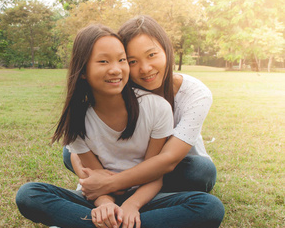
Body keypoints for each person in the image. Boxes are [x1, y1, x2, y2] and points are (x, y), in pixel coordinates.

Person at [15, 24, 224, 228]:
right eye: (104, 62)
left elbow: (157, 169)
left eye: (121, 60)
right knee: (29, 194)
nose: (116, 69)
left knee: (210, 208)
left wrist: (132, 204)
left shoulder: (156, 107)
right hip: (106, 194)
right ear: (82, 70)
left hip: (147, 190)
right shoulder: (78, 118)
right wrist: (105, 204)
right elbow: (94, 177)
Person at [65, 15, 218, 200]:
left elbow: (168, 159)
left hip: (176, 166)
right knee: (69, 153)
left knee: (202, 171)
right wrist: (85, 169)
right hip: (125, 165)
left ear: (167, 50)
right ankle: (125, 195)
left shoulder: (196, 93)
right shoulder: (121, 84)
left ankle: (132, 195)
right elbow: (81, 136)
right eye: (132, 61)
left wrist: (110, 184)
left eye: (152, 55)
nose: (145, 68)